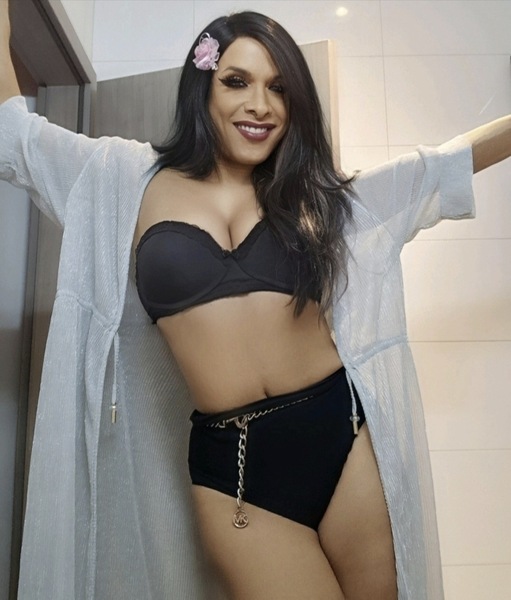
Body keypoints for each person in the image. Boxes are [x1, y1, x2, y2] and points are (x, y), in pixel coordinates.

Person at [1, 4, 510, 600]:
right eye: (237, 82)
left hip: (342, 437)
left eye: (279, 88)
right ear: (203, 87)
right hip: (235, 469)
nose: (260, 105)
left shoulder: (320, 199)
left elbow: (441, 166)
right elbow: (16, 138)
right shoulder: (120, 178)